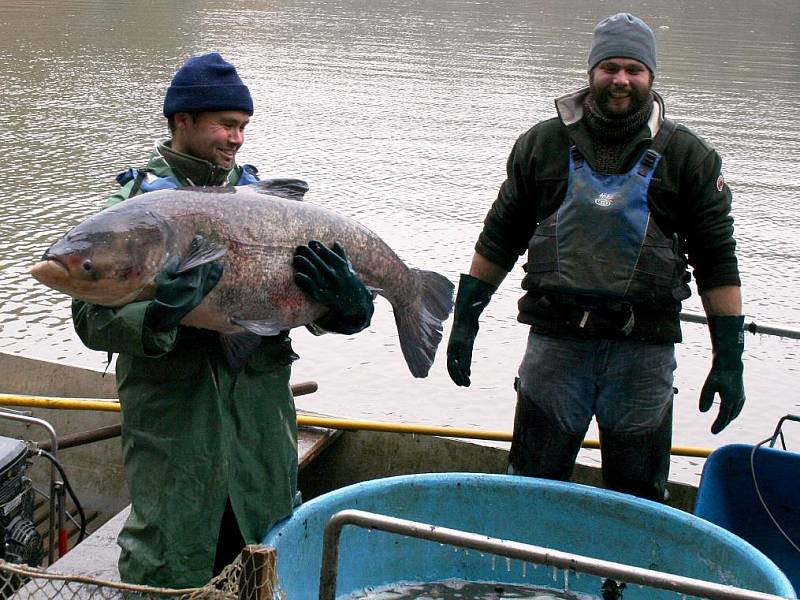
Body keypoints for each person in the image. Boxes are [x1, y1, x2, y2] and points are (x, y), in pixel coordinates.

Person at [72, 52, 375, 588]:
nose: (236, 138)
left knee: (264, 556)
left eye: (242, 127)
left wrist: (347, 310)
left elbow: (295, 299)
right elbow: (89, 319)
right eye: (224, 124)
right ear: (181, 121)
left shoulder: (268, 206)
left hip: (262, 427)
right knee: (170, 564)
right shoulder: (133, 207)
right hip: (176, 431)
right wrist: (159, 313)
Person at [446, 13, 745, 502]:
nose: (622, 80)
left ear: (651, 76)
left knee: (637, 498)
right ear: (591, 73)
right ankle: (526, 574)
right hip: (556, 347)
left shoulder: (691, 157)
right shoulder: (542, 144)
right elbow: (499, 237)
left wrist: (729, 358)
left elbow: (716, 261)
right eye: (610, 68)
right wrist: (466, 322)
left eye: (634, 69)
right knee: (533, 485)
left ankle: (620, 581)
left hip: (643, 353)